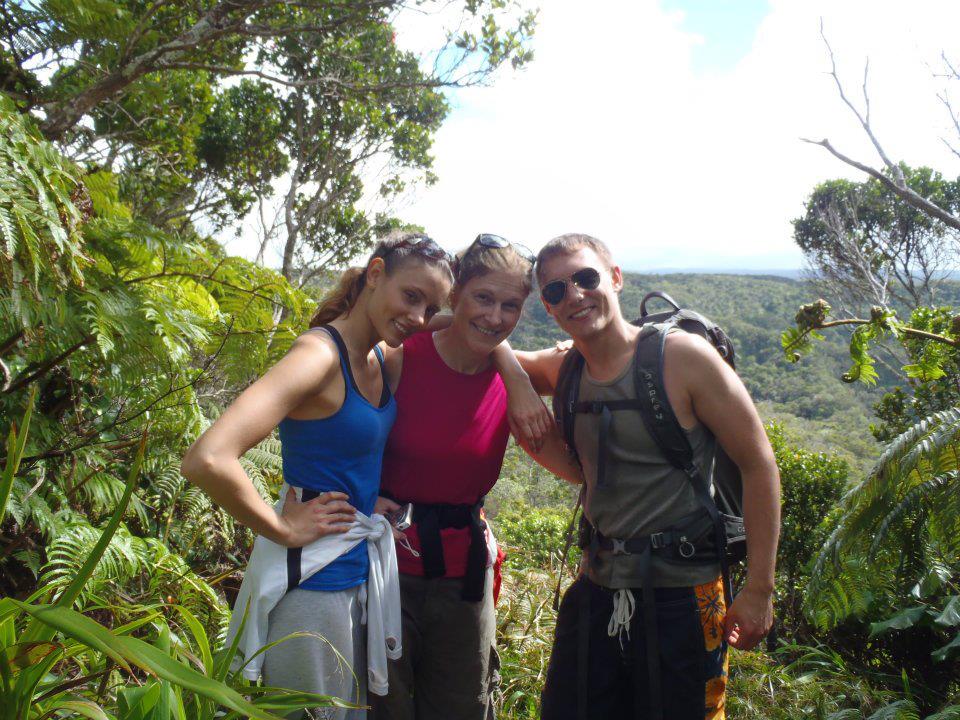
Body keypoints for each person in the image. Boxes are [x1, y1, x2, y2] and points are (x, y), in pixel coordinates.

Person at [497, 233, 781, 720]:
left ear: (616, 277)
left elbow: (759, 465)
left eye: (586, 278)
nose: (575, 295)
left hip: (685, 593)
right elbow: (468, 334)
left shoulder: (682, 359)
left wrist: (759, 589)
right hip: (596, 588)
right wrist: (518, 383)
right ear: (547, 307)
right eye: (556, 291)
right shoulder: (565, 369)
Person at [180, 234, 455, 720]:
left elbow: (462, 325)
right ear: (375, 274)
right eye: (411, 296)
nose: (418, 318)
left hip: (352, 570)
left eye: (430, 308)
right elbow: (207, 457)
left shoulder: (376, 356)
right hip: (309, 585)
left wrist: (362, 501)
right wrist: (281, 527)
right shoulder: (320, 357)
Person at [369, 234, 581, 720]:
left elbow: (574, 462)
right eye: (482, 298)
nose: (494, 316)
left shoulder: (512, 379)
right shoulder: (402, 355)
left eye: (510, 305)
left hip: (463, 579)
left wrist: (516, 375)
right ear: (455, 293)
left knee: (464, 705)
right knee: (382, 704)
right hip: (384, 568)